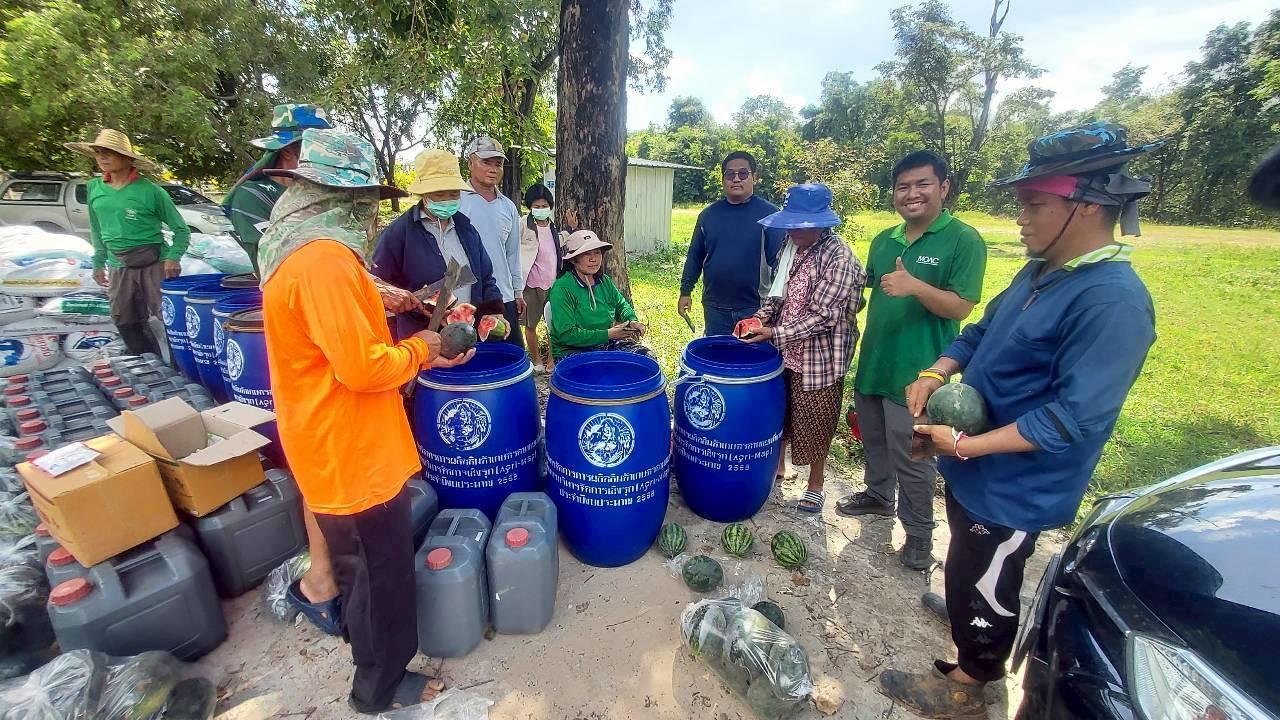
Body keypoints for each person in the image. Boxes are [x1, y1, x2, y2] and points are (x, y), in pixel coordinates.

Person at [877, 121, 1160, 719]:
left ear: (1085, 205)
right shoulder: (1041, 272)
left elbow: (1069, 419)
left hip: (1014, 487)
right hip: (976, 469)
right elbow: (978, 333)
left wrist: (966, 447)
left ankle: (967, 682)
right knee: (969, 565)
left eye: (1034, 204)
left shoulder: (1110, 300)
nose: (1022, 218)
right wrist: (936, 372)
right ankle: (968, 614)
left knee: (988, 578)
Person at [258, 129, 473, 714]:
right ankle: (378, 686)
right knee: (381, 576)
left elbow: (342, 307)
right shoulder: (322, 258)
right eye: (363, 201)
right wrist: (425, 348)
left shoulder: (296, 247)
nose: (369, 213)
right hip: (348, 445)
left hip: (327, 436)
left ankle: (362, 640)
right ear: (334, 198)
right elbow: (360, 367)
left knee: (358, 567)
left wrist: (391, 300)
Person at [836, 151, 988, 571]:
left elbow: (961, 308)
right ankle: (878, 496)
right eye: (903, 186)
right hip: (875, 363)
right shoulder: (884, 240)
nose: (911, 194)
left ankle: (919, 535)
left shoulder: (963, 239)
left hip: (919, 374)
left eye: (922, 184)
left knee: (915, 457)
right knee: (875, 440)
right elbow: (860, 290)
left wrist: (915, 285)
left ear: (944, 187)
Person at [742, 184, 866, 513]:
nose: (794, 230)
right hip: (784, 351)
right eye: (791, 224)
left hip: (819, 358)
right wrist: (757, 319)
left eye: (802, 225)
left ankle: (815, 483)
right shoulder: (790, 246)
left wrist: (772, 333)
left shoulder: (840, 258)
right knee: (781, 412)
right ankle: (779, 466)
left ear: (822, 224)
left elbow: (822, 318)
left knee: (817, 420)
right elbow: (777, 295)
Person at [65, 129, 189, 356]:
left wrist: (173, 257)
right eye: (99, 152)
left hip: (154, 262)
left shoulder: (151, 192)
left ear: (128, 158)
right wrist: (98, 262)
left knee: (169, 319)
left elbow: (181, 230)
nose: (102, 157)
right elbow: (97, 228)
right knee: (124, 318)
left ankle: (180, 367)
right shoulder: (95, 188)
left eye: (109, 153)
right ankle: (147, 362)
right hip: (118, 263)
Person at [372, 149, 504, 339]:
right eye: (440, 195)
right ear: (424, 195)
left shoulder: (466, 228)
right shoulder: (399, 232)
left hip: (468, 335)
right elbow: (381, 287)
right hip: (420, 339)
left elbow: (486, 276)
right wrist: (420, 305)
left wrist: (493, 309)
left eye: (453, 194)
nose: (448, 200)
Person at [679, 151, 786, 335]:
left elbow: (781, 266)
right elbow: (695, 257)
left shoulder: (770, 216)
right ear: (723, 179)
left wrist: (775, 308)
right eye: (730, 174)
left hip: (754, 307)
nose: (736, 179)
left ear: (755, 177)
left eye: (743, 173)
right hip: (714, 307)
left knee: (749, 359)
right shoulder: (708, 216)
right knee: (717, 358)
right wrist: (685, 291)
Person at [222, 104, 333, 273]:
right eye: (316, 151)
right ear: (288, 151)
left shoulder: (324, 191)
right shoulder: (253, 196)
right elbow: (274, 261)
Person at [459, 136, 524, 348]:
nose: (493, 169)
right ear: (470, 163)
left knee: (511, 356)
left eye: (498, 164)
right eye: (485, 162)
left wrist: (517, 292)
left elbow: (512, 253)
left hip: (502, 296)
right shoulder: (457, 202)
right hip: (467, 297)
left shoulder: (508, 207)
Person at [548, 230, 649, 359]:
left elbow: (621, 305)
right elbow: (566, 335)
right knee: (601, 372)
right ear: (573, 259)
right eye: (586, 254)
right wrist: (608, 334)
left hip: (604, 344)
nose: (593, 259)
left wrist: (632, 321)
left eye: (597, 253)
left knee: (645, 357)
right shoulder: (562, 288)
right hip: (571, 350)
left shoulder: (604, 281)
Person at [518, 182, 562, 372]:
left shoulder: (553, 228)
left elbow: (563, 243)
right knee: (531, 324)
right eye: (536, 206)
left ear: (550, 207)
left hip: (552, 284)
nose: (541, 209)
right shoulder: (522, 225)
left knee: (554, 325)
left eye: (544, 206)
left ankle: (551, 360)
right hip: (531, 284)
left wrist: (571, 228)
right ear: (530, 207)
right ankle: (536, 361)